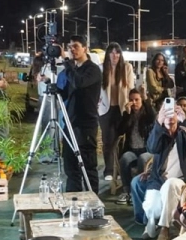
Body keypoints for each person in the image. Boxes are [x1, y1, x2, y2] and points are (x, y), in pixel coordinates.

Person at [130, 104, 186, 240]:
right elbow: (151, 148)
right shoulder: (160, 134)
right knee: (151, 206)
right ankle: (152, 223)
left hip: (180, 180)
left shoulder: (183, 133)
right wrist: (158, 123)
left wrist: (185, 121)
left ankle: (164, 229)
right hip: (159, 180)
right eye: (165, 114)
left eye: (172, 113)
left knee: (170, 184)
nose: (169, 117)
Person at [60, 35, 102, 193]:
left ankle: (93, 200)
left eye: (76, 46)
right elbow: (68, 93)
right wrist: (53, 87)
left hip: (85, 125)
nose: (72, 50)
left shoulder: (92, 69)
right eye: (70, 47)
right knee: (71, 167)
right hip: (70, 122)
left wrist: (67, 63)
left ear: (85, 48)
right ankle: (73, 199)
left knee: (87, 165)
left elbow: (79, 83)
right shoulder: (74, 70)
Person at [99, 43, 135, 181]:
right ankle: (108, 170)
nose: (115, 55)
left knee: (119, 140)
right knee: (107, 140)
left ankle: (118, 169)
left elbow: (130, 88)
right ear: (108, 54)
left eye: (117, 52)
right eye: (112, 52)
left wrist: (131, 103)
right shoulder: (101, 68)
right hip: (105, 109)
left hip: (122, 108)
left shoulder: (127, 67)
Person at [115, 89, 155, 206]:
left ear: (141, 100)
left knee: (143, 159)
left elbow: (153, 117)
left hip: (147, 149)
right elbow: (120, 131)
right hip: (132, 149)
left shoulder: (147, 113)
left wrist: (146, 99)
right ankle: (127, 191)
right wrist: (127, 115)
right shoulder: (128, 114)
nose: (134, 102)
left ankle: (139, 190)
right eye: (131, 100)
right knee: (125, 158)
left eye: (137, 100)